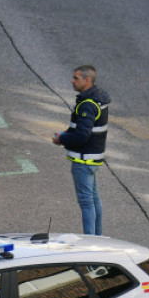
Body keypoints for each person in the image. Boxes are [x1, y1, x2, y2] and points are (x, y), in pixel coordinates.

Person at [53, 65, 110, 235]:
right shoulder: (98, 99)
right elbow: (81, 129)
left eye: (76, 78)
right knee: (94, 200)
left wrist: (61, 139)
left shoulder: (87, 105)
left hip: (83, 160)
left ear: (87, 80)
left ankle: (90, 245)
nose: (72, 81)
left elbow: (82, 136)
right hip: (93, 159)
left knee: (86, 203)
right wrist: (65, 134)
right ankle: (97, 240)